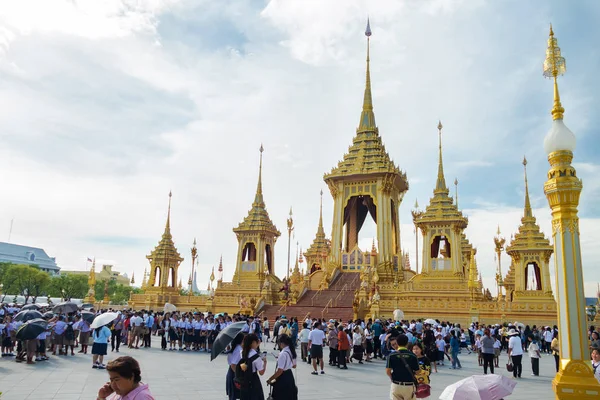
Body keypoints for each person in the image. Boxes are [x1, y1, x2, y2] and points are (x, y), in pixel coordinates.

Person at [386, 334, 420, 400]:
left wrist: (391, 377)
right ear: (407, 343)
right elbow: (418, 371)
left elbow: (388, 371)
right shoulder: (412, 356)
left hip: (396, 384)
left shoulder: (391, 355)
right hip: (409, 385)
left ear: (397, 343)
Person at [267, 334, 298, 400]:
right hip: (290, 376)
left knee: (280, 396)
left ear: (281, 343)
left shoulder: (283, 353)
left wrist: (270, 379)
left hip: (283, 378)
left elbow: (280, 371)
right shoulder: (292, 351)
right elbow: (294, 366)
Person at [239, 333, 267, 400]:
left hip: (244, 380)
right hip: (253, 380)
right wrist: (265, 362)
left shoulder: (241, 352)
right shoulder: (256, 357)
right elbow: (261, 372)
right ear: (253, 343)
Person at [226, 333, 244, 400]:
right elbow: (233, 365)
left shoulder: (234, 348)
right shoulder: (239, 350)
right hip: (234, 373)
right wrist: (238, 375)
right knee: (234, 395)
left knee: (233, 396)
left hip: (231, 373)